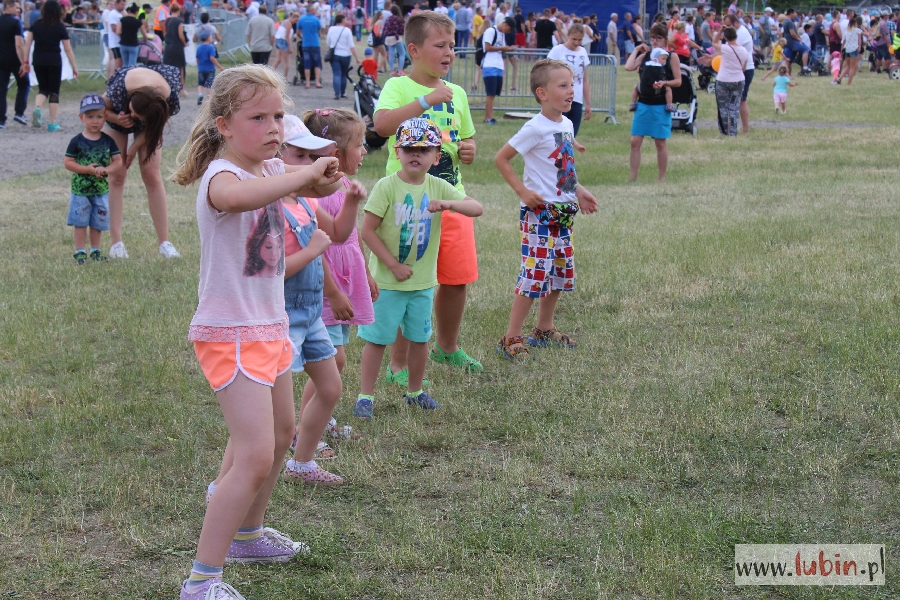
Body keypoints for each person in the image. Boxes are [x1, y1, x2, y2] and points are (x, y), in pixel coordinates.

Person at [170, 65, 343, 600]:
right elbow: (241, 198)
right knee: (254, 455)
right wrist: (302, 176)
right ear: (223, 124)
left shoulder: (269, 167)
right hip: (231, 332)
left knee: (281, 432)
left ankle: (248, 535)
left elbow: (308, 189)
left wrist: (322, 176)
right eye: (258, 118)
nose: (273, 128)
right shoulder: (221, 176)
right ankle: (201, 582)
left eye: (277, 117)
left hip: (269, 326)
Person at [373, 11, 482, 385]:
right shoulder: (399, 86)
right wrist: (425, 100)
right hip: (408, 204)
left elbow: (464, 137)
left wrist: (469, 148)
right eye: (440, 45)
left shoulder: (458, 93)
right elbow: (382, 125)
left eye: (452, 45)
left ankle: (446, 347)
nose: (449, 52)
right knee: (411, 284)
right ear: (414, 50)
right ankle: (398, 364)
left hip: (452, 199)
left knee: (457, 278)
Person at [356, 117, 483, 419]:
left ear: (437, 157)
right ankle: (365, 396)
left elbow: (476, 208)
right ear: (397, 152)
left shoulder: (437, 185)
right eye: (409, 148)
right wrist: (392, 265)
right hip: (388, 283)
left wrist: (448, 204)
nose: (416, 154)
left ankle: (415, 392)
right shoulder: (387, 187)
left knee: (420, 338)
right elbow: (367, 232)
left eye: (425, 149)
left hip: (423, 283)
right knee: (377, 340)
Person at [494, 58, 598, 360]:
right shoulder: (534, 128)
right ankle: (511, 337)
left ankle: (543, 328)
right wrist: (523, 192)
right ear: (542, 93)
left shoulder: (566, 124)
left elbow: (563, 170)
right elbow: (502, 158)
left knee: (560, 272)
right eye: (563, 85)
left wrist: (580, 191)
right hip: (539, 215)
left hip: (563, 214)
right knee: (535, 274)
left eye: (572, 84)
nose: (571, 90)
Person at [297, 108, 376, 458]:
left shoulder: (342, 186)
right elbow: (319, 248)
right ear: (334, 152)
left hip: (345, 284)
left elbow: (350, 236)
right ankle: (303, 431)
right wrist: (333, 292)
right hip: (327, 290)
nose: (364, 151)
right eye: (359, 145)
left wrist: (367, 274)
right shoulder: (318, 193)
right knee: (332, 362)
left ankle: (321, 419)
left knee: (336, 359)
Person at [102, 62, 182, 258]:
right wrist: (118, 118)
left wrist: (134, 147)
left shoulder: (166, 99)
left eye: (137, 117)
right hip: (116, 118)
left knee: (152, 175)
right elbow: (98, 110)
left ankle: (165, 243)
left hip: (151, 121)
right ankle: (116, 244)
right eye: (133, 111)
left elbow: (157, 125)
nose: (133, 116)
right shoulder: (120, 90)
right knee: (117, 176)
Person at [64, 94, 123, 264]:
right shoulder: (76, 141)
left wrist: (107, 170)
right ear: (81, 117)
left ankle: (96, 250)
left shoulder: (108, 141)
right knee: (81, 221)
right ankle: (80, 252)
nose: (95, 121)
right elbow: (68, 162)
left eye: (99, 116)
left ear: (105, 117)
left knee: (98, 221)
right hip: (80, 190)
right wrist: (86, 170)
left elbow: (118, 161)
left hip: (100, 189)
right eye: (90, 117)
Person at [625, 23, 681, 182]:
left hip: (661, 104)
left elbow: (678, 81)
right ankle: (632, 177)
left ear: (665, 39)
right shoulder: (647, 55)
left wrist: (665, 83)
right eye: (652, 38)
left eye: (658, 38)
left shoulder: (671, 57)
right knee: (635, 142)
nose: (655, 41)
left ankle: (661, 178)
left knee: (660, 142)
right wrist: (637, 49)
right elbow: (629, 66)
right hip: (643, 103)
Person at [25, 0, 77, 132]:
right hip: (54, 61)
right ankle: (52, 122)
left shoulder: (36, 25)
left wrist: (25, 62)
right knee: (54, 92)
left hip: (38, 60)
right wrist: (74, 67)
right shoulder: (60, 26)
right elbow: (68, 49)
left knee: (43, 88)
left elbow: (27, 44)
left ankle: (37, 108)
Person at [547, 22, 590, 136]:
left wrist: (588, 104)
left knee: (572, 135)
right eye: (574, 39)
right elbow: (547, 74)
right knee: (559, 134)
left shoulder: (583, 52)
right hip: (560, 98)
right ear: (568, 35)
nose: (576, 43)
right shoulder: (557, 51)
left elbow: (584, 79)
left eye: (580, 40)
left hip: (577, 99)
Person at [711, 26, 746, 136]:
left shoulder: (725, 48)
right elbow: (744, 68)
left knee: (723, 107)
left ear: (725, 38)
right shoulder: (744, 50)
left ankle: (724, 130)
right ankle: (733, 131)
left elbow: (714, 42)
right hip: (738, 80)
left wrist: (720, 30)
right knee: (734, 107)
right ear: (736, 36)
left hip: (723, 79)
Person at [0, 0, 30, 129]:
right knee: (24, 84)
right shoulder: (15, 22)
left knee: (1, 89)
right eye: (17, 8)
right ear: (8, 7)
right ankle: (19, 112)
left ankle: (1, 119)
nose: (19, 10)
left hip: (1, 59)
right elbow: (19, 44)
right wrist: (23, 62)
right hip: (14, 59)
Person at [724, 13, 754, 133]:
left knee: (741, 99)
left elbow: (729, 50)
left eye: (728, 25)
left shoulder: (741, 34)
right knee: (735, 98)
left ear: (735, 23)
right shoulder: (736, 32)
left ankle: (745, 128)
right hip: (738, 68)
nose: (726, 29)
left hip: (745, 69)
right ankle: (733, 126)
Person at [481, 16, 513, 125]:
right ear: (505, 24)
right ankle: (488, 117)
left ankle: (490, 116)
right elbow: (487, 47)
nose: (508, 32)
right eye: (509, 29)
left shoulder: (502, 34)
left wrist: (508, 49)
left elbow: (502, 48)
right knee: (490, 93)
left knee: (494, 93)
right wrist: (502, 48)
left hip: (498, 66)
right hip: (489, 65)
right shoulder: (491, 31)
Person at [629, 48, 674, 113]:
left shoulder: (645, 64)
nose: (665, 61)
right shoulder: (659, 67)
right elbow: (661, 77)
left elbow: (642, 74)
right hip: (656, 87)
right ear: (655, 59)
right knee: (668, 88)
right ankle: (669, 105)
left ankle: (633, 103)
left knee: (635, 88)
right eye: (663, 59)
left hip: (643, 88)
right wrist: (662, 82)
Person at [325, 13, 356, 100]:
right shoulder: (347, 30)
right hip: (346, 54)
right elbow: (351, 45)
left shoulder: (331, 29)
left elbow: (328, 42)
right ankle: (343, 92)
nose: (346, 20)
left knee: (336, 74)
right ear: (342, 20)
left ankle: (336, 93)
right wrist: (356, 57)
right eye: (345, 19)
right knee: (344, 74)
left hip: (335, 54)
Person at [162, 2, 186, 92]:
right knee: (181, 66)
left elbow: (165, 33)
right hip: (177, 46)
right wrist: (184, 42)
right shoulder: (179, 21)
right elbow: (181, 35)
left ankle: (168, 86)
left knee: (168, 67)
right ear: (179, 10)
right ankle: (182, 88)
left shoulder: (167, 21)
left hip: (168, 46)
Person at [195, 29, 222, 104]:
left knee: (200, 83)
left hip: (201, 69)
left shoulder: (199, 48)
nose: (211, 38)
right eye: (210, 36)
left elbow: (197, 59)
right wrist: (219, 66)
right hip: (210, 68)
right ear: (208, 38)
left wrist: (198, 65)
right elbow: (212, 58)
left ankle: (200, 94)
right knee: (209, 84)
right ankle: (209, 99)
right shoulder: (211, 47)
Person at [299, 3, 322, 88]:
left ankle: (307, 82)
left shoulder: (302, 19)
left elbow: (298, 31)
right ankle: (317, 82)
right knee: (317, 63)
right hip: (315, 43)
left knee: (307, 63)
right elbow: (319, 31)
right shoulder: (316, 19)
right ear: (312, 10)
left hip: (305, 44)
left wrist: (302, 37)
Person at [782, 8, 811, 74]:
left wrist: (800, 22)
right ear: (791, 13)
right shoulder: (789, 22)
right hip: (792, 42)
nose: (796, 14)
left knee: (788, 60)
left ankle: (788, 75)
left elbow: (793, 29)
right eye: (795, 13)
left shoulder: (785, 21)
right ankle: (805, 67)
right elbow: (792, 33)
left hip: (787, 42)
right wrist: (798, 39)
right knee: (806, 50)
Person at [272, 11, 298, 79]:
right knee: (287, 61)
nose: (296, 22)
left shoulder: (284, 22)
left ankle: (271, 73)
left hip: (278, 40)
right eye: (296, 20)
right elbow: (287, 36)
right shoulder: (288, 23)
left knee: (278, 59)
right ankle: (285, 77)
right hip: (283, 41)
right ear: (292, 17)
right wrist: (290, 47)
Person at [118, 3, 145, 67]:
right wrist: (145, 38)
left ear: (129, 11)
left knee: (125, 63)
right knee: (132, 65)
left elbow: (118, 32)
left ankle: (124, 72)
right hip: (133, 44)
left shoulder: (122, 20)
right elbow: (144, 34)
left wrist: (123, 35)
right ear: (136, 12)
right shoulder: (138, 22)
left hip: (123, 43)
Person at [839, 15, 862, 84]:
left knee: (847, 66)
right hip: (854, 49)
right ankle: (849, 82)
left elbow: (843, 42)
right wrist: (859, 47)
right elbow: (859, 40)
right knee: (852, 67)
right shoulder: (857, 30)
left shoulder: (846, 31)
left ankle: (839, 78)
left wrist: (841, 50)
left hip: (847, 49)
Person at [103, 0, 123, 74]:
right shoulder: (110, 13)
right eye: (110, 4)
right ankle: (112, 76)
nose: (112, 5)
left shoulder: (117, 13)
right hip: (113, 40)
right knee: (113, 59)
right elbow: (112, 27)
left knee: (112, 59)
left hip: (115, 40)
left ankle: (110, 77)